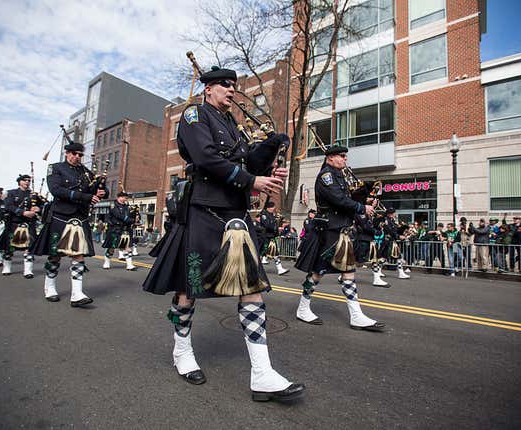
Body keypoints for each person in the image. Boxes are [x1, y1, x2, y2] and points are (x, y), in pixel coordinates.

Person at [142, 66, 304, 402]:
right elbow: (205, 157)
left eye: (233, 86)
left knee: (251, 288)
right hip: (204, 212)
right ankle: (182, 351)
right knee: (189, 289)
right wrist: (251, 181)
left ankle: (262, 374)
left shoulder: (234, 125)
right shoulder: (193, 115)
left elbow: (248, 163)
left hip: (237, 215)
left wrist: (270, 151)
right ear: (209, 89)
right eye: (225, 86)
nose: (232, 91)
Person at [294, 145, 384, 331]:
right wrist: (361, 208)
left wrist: (364, 193)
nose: (345, 159)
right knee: (318, 272)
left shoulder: (339, 176)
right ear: (330, 158)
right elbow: (339, 200)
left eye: (345, 156)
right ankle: (303, 308)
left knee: (348, 271)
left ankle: (356, 315)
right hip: (328, 231)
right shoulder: (326, 176)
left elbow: (348, 197)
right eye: (341, 156)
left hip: (341, 230)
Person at [30, 139, 106, 306]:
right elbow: (56, 190)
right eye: (74, 154)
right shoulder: (56, 168)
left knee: (78, 254)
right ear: (67, 153)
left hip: (80, 216)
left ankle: (77, 294)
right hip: (60, 215)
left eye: (80, 154)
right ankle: (50, 287)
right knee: (55, 254)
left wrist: (101, 191)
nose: (77, 157)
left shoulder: (85, 172)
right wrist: (84, 197)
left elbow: (94, 190)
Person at [0, 174, 42, 277]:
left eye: (29, 180)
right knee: (9, 247)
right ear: (19, 181)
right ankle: (7, 267)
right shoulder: (11, 193)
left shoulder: (34, 194)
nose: (27, 182)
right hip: (14, 222)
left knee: (29, 247)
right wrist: (22, 212)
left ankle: (28, 270)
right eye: (25, 180)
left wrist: (38, 209)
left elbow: (43, 205)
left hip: (29, 223)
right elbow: (8, 206)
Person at [102, 191, 138, 271]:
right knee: (112, 247)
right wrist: (129, 220)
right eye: (124, 197)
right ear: (119, 197)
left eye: (126, 198)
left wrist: (134, 212)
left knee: (126, 247)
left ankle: (129, 265)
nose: (125, 199)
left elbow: (130, 216)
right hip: (115, 229)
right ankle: (106, 262)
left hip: (123, 229)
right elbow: (118, 215)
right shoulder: (113, 205)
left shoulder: (126, 207)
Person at [259, 201, 289, 275]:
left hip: (271, 237)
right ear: (268, 208)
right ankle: (254, 268)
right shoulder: (264, 215)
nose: (273, 208)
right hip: (265, 237)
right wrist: (277, 228)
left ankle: (280, 269)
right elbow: (267, 225)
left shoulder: (272, 215)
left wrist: (277, 231)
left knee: (275, 253)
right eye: (272, 207)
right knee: (260, 253)